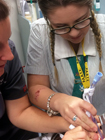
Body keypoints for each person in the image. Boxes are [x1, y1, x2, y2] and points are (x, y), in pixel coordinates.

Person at [25, 0, 105, 137]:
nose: (74, 33)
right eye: (60, 26)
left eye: (81, 21)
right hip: (62, 125)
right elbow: (36, 88)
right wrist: (58, 100)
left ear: (90, 7)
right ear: (48, 20)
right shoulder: (39, 32)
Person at [0, 0, 88, 140]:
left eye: (8, 40)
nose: (9, 55)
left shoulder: (8, 56)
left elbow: (20, 111)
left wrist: (73, 125)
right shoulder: (39, 33)